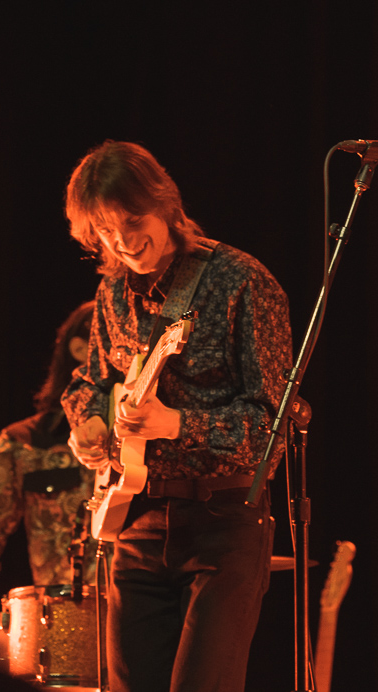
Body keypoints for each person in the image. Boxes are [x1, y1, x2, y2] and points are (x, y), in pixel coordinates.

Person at [61, 140, 292, 692]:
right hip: (136, 519)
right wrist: (88, 424)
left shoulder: (240, 282)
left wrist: (178, 424)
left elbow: (273, 428)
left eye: (132, 220)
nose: (122, 242)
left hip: (223, 523)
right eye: (106, 233)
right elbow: (87, 383)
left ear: (165, 202)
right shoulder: (112, 290)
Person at [0, 301, 99, 598]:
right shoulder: (23, 443)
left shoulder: (151, 438)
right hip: (62, 625)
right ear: (80, 350)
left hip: (145, 620)